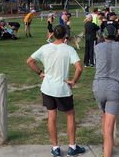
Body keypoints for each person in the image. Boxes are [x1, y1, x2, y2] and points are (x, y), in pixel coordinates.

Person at [26, 25, 85, 156]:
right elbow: (79, 68)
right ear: (65, 36)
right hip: (62, 89)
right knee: (70, 116)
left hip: (47, 88)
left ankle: (55, 147)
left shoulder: (45, 48)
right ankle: (72, 146)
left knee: (51, 117)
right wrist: (74, 81)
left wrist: (40, 73)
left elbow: (30, 61)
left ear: (52, 34)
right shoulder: (69, 49)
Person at [93, 25, 119, 157]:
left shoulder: (97, 47)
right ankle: (107, 153)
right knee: (109, 129)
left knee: (104, 118)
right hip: (114, 88)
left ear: (103, 35)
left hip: (98, 86)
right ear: (116, 34)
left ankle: (106, 147)